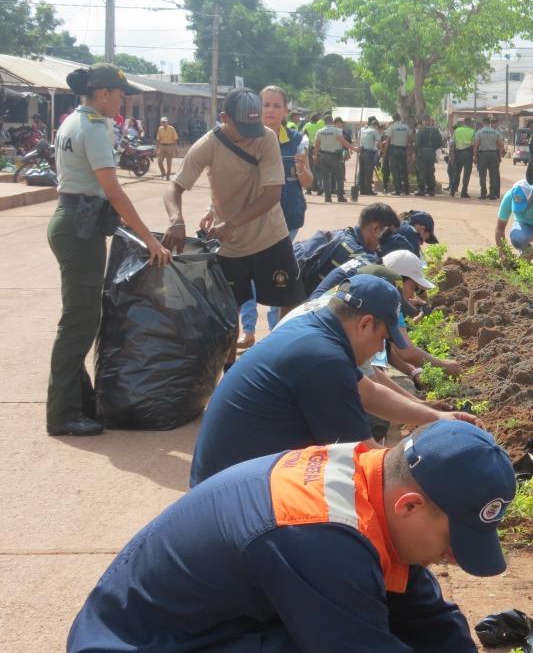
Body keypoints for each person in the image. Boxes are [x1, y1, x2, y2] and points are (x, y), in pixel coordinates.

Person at [68, 419, 516, 652]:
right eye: (451, 541)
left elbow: (424, 613)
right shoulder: (318, 535)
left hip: (199, 627)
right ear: (411, 506)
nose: (452, 557)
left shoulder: (369, 481)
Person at [189, 274, 476, 486]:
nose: (380, 350)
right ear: (365, 324)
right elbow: (367, 458)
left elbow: (369, 393)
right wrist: (438, 466)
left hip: (232, 472)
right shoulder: (322, 359)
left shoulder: (317, 327)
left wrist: (436, 417)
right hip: (232, 490)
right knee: (363, 490)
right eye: (383, 339)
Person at [47, 64, 171, 437]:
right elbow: (114, 192)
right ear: (103, 93)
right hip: (80, 229)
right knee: (78, 321)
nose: (122, 101)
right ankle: (63, 414)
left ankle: (79, 403)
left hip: (73, 220)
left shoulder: (73, 121)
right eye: (119, 95)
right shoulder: (95, 128)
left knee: (82, 317)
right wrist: (150, 240)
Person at [161, 88, 307, 369]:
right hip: (230, 247)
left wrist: (231, 223)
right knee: (228, 311)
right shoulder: (208, 145)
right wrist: (176, 220)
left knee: (289, 301)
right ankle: (229, 369)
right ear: (225, 118)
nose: (251, 134)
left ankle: (283, 362)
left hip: (270, 237)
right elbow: (174, 187)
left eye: (254, 126)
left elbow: (272, 194)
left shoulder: (266, 138)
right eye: (243, 128)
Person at [237, 85, 315, 350]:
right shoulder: (243, 137)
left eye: (276, 105)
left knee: (277, 274)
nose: (270, 110)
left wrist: (302, 168)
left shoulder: (297, 140)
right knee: (247, 274)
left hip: (287, 215)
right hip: (250, 215)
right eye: (265, 104)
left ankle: (273, 332)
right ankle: (247, 330)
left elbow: (306, 182)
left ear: (285, 110)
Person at [294, 202, 401, 294]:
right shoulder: (356, 256)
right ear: (376, 229)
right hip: (307, 306)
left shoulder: (341, 234)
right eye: (389, 234)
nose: (389, 240)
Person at [315, 116, 357, 203]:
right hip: (334, 156)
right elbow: (343, 142)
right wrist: (354, 149)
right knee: (339, 177)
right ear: (332, 121)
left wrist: (315, 156)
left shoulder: (319, 131)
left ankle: (327, 197)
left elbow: (317, 145)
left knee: (325, 177)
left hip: (323, 156)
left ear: (324, 122)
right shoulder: (337, 130)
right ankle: (340, 196)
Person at [473, 114, 504, 200]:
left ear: (483, 123)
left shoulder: (479, 132)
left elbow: (476, 145)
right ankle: (492, 194)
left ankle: (483, 193)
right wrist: (499, 156)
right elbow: (500, 145)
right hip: (493, 154)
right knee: (493, 175)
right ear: (490, 122)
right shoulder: (495, 132)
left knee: (482, 175)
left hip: (483, 155)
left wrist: (475, 156)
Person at [383, 113, 412, 195]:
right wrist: (409, 151)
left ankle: (397, 190)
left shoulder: (392, 127)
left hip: (394, 149)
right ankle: (406, 189)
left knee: (395, 170)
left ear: (393, 119)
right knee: (404, 170)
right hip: (403, 149)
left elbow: (388, 140)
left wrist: (385, 151)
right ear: (400, 118)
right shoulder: (406, 127)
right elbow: (410, 139)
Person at [415, 116, 444, 196]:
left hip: (422, 153)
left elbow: (417, 144)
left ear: (424, 121)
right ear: (430, 121)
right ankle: (431, 190)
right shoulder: (435, 130)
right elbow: (440, 142)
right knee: (431, 171)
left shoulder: (421, 131)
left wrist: (415, 151)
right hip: (431, 153)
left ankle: (421, 189)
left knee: (422, 171)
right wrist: (433, 148)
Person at [450, 117, 475, 197]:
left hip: (458, 153)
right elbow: (474, 145)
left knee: (456, 173)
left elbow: (452, 143)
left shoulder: (457, 130)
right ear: (470, 123)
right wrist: (474, 156)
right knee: (466, 174)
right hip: (468, 154)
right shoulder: (473, 131)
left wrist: (452, 155)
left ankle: (453, 190)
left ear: (464, 122)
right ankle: (464, 192)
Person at [358, 117, 383, 197]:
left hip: (362, 153)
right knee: (368, 173)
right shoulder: (374, 131)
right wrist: (382, 150)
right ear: (375, 125)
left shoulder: (363, 130)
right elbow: (379, 143)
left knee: (362, 172)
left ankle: (362, 190)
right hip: (369, 153)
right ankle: (368, 190)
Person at [301, 113, 324, 195]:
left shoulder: (306, 126)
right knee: (319, 170)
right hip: (319, 149)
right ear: (317, 119)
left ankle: (309, 188)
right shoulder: (320, 127)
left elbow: (304, 138)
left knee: (310, 168)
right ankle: (320, 187)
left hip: (310, 149)